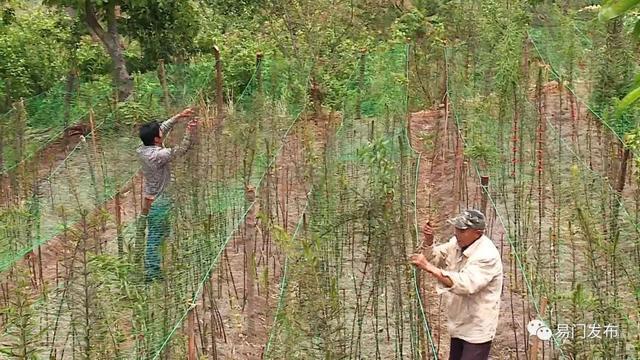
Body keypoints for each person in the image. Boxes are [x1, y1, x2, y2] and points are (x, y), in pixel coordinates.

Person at [409, 209, 503, 360]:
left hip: (477, 327)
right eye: (456, 228)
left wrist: (428, 267)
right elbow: (436, 257)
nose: (456, 233)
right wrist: (429, 241)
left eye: (462, 230)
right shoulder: (457, 243)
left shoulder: (486, 256)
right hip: (458, 322)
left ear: (478, 233)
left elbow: (465, 284)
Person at [137, 108, 198, 282]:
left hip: (152, 197)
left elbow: (163, 127)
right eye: (159, 133)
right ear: (157, 139)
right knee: (155, 236)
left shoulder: (143, 147)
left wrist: (180, 116)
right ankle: (152, 273)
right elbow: (181, 150)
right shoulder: (157, 155)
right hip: (159, 200)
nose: (162, 132)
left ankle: (155, 266)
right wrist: (189, 132)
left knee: (161, 232)